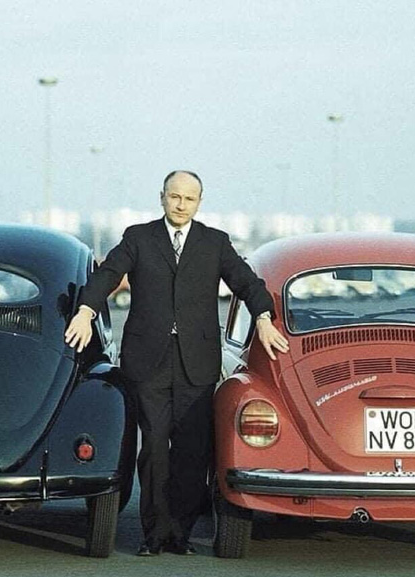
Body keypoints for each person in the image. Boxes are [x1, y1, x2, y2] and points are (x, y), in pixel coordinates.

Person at [64, 170, 289, 556]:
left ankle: (179, 535)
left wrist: (264, 319)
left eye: (189, 198)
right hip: (147, 362)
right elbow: (107, 274)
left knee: (191, 451)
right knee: (153, 448)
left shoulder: (214, 243)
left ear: (199, 202)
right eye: (174, 197)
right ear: (162, 197)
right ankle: (153, 536)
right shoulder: (139, 237)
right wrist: (85, 310)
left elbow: (247, 282)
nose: (180, 204)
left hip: (196, 364)